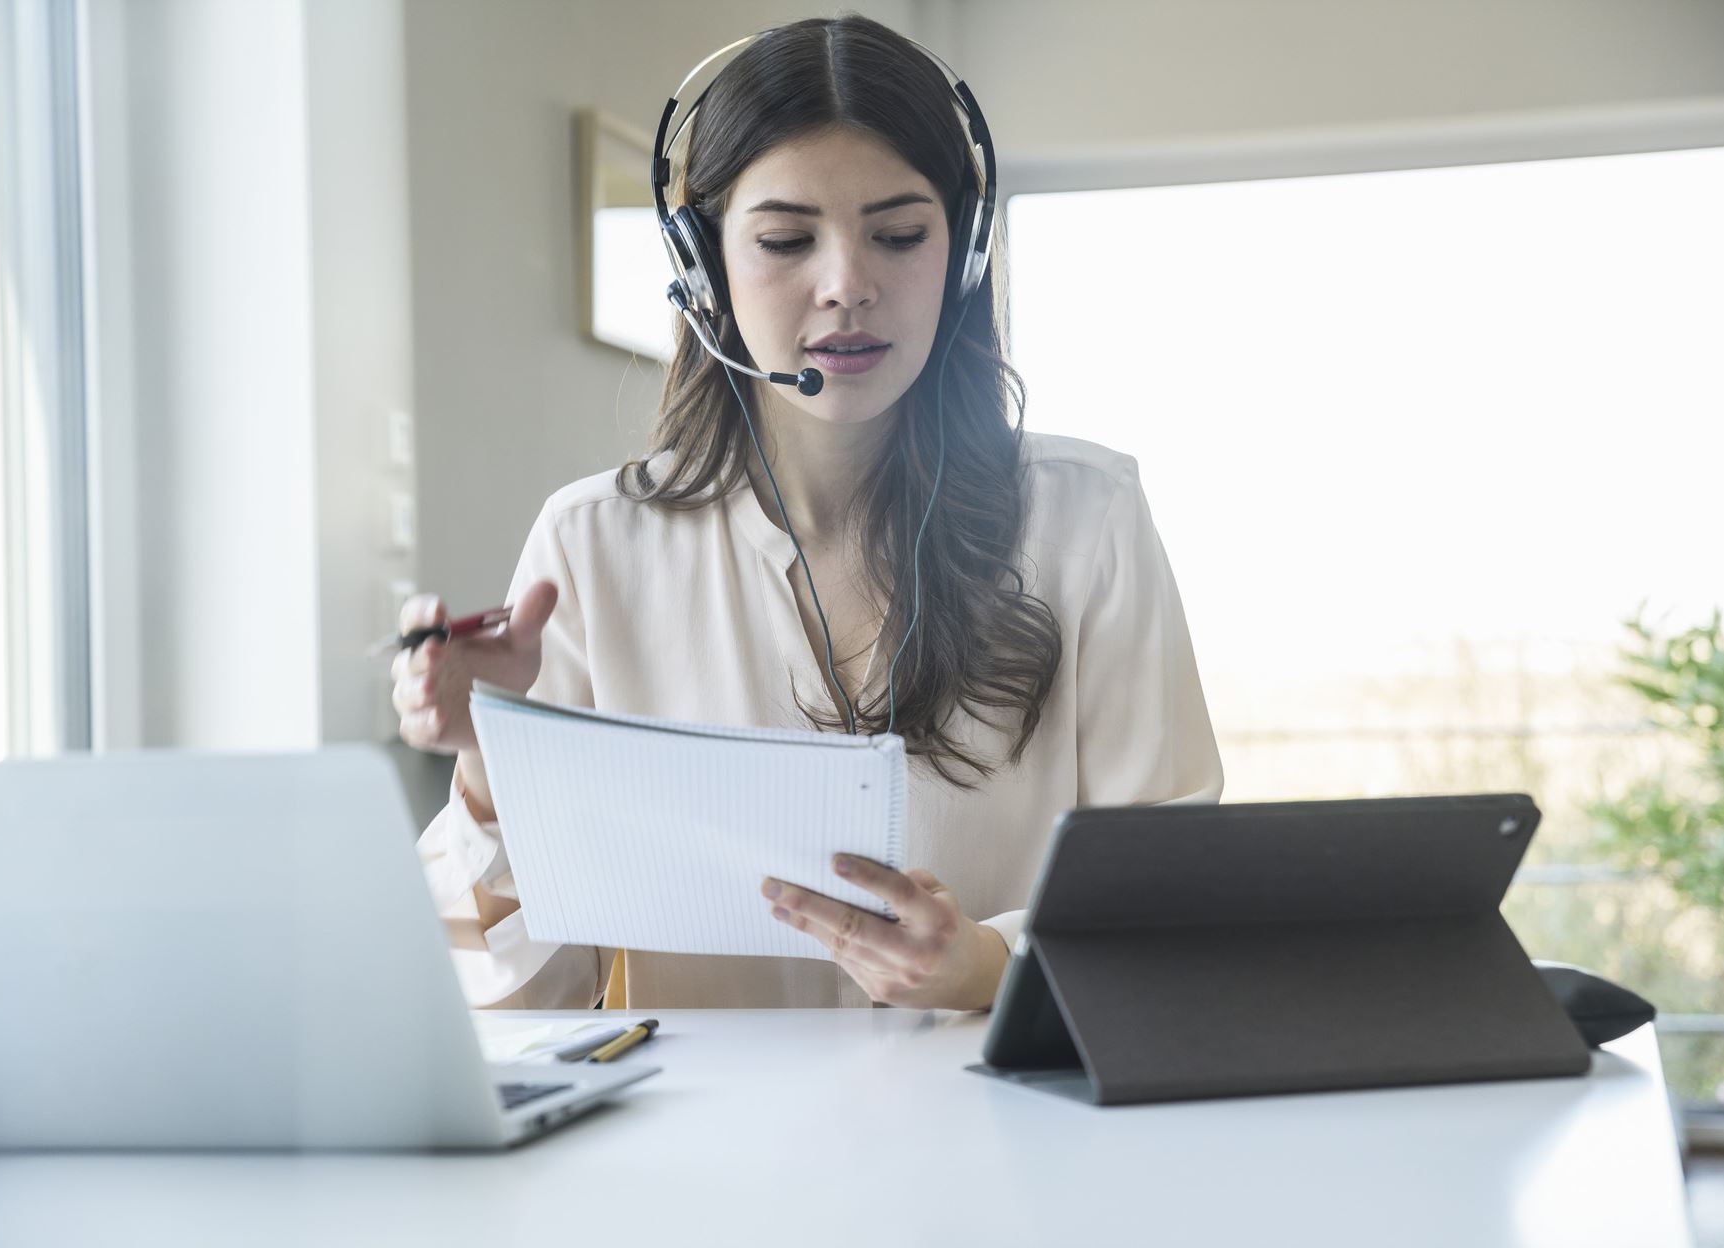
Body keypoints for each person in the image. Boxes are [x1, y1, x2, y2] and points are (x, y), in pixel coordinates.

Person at [392, 14, 1222, 1012]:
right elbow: (496, 1003)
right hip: (702, 1164)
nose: (847, 287)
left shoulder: (1090, 523)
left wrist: (986, 968)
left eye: (901, 235)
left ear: (962, 256)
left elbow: (1175, 914)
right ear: (702, 269)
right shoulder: (590, 548)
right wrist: (492, 769)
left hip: (1008, 1148)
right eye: (787, 239)